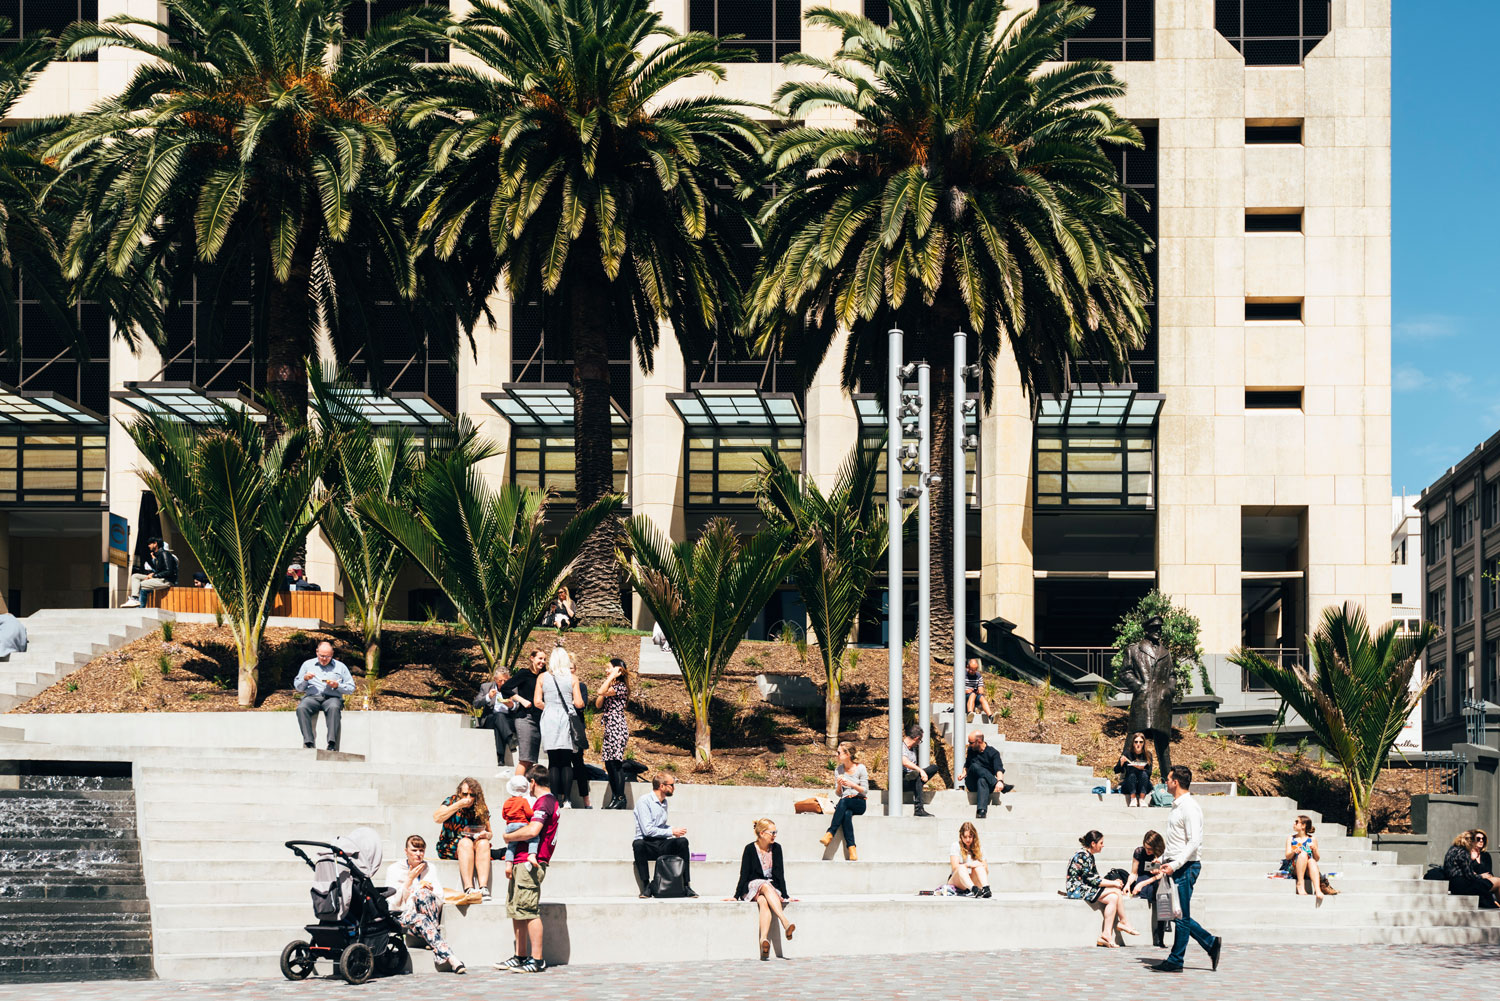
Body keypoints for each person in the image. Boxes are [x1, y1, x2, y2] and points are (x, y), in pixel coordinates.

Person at [1151, 765, 1223, 973]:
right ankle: (1210, 943)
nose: (1166, 782)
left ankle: (1176, 960)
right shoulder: (1176, 807)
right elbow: (1177, 842)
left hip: (1186, 867)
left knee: (1180, 916)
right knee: (1178, 914)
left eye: (1168, 778)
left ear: (1176, 782)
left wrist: (1174, 865)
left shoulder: (1189, 807)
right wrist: (1163, 859)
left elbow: (1194, 842)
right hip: (1176, 865)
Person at [496, 765, 560, 974]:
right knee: (518, 909)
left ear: (532, 782)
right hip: (521, 861)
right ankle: (520, 956)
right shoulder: (544, 802)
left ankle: (537, 960)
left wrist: (507, 837)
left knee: (529, 911)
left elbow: (534, 830)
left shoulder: (545, 802)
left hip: (531, 863)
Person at [384, 834, 466, 974]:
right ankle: (451, 958)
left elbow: (440, 898)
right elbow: (393, 905)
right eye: (414, 850)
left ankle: (439, 949)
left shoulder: (430, 868)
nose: (418, 854)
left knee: (423, 895)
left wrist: (427, 891)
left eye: (421, 850)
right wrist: (410, 881)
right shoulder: (394, 869)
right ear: (406, 851)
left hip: (425, 920)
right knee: (419, 899)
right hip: (404, 918)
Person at [733, 818, 794, 959]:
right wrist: (736, 895)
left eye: (775, 832)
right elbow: (744, 873)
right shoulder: (750, 849)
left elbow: (780, 873)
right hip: (753, 886)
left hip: (770, 888)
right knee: (764, 886)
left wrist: (785, 895)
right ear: (761, 833)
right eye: (772, 832)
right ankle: (785, 921)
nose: (774, 835)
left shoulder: (777, 848)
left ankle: (763, 940)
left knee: (763, 901)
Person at [1064, 830, 1137, 946]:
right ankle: (1124, 921)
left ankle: (1106, 935)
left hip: (1085, 887)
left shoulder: (1089, 856)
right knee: (1116, 891)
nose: (1103, 845)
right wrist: (1113, 884)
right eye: (1101, 843)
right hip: (1076, 889)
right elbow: (1092, 880)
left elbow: (1096, 877)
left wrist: (1112, 882)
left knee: (1113, 898)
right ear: (1093, 843)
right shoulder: (1082, 856)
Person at [535, 644, 587, 808]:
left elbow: (537, 701)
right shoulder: (572, 678)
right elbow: (579, 703)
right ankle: (568, 800)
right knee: (566, 761)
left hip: (549, 718)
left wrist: (549, 706)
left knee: (553, 761)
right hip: (566, 719)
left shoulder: (542, 677)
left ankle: (554, 798)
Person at [632, 774, 697, 897]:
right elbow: (648, 830)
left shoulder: (664, 802)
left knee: (682, 842)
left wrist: (673, 829)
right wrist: (671, 832)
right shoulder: (644, 801)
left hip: (661, 842)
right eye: (671, 785)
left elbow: (660, 826)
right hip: (647, 843)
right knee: (638, 844)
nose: (674, 788)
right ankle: (646, 886)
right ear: (662, 786)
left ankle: (686, 885)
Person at [432, 777, 492, 903]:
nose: (468, 798)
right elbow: (437, 818)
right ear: (459, 792)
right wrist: (458, 805)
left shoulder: (480, 807)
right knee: (465, 842)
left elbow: (490, 832)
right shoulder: (451, 801)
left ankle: (483, 887)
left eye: (472, 795)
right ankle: (469, 887)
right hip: (450, 845)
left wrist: (486, 835)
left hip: (474, 843)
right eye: (465, 794)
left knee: (484, 843)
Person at [294, 641, 353, 750]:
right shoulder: (307, 665)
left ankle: (331, 743)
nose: (324, 659)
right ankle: (308, 742)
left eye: (328, 656)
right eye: (322, 656)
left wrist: (337, 685)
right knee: (301, 708)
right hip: (312, 697)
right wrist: (305, 679)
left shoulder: (340, 667)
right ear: (317, 652)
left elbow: (351, 688)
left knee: (334, 708)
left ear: (332, 654)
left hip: (332, 698)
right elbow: (298, 687)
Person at [818, 742, 867, 861]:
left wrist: (852, 785)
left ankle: (830, 833)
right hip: (845, 802)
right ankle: (852, 849)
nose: (836, 754)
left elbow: (865, 791)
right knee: (846, 813)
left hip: (859, 802)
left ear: (848, 754)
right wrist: (840, 785)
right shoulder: (838, 770)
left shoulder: (860, 768)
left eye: (839, 752)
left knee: (843, 803)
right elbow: (839, 793)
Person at [595, 657, 632, 809]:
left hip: (617, 727)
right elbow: (598, 703)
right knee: (609, 764)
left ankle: (621, 797)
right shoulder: (611, 686)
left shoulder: (621, 687)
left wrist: (612, 677)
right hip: (610, 728)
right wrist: (609, 681)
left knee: (616, 764)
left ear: (617, 670)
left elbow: (600, 691)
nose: (606, 670)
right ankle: (615, 797)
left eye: (609, 668)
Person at [505, 650, 547, 776]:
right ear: (532, 658)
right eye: (540, 658)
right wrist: (522, 700)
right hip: (525, 718)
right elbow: (506, 688)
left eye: (544, 659)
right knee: (525, 759)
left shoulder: (544, 676)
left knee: (532, 760)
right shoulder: (524, 673)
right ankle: (516, 790)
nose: (542, 662)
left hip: (539, 719)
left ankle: (527, 790)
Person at [1126, 830, 1168, 947]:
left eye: (1150, 849)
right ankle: (1159, 933)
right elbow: (1133, 873)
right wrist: (1128, 885)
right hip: (1143, 879)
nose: (1147, 851)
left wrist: (1142, 884)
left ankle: (1160, 935)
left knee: (1160, 889)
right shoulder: (1139, 852)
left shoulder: (1161, 855)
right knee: (1150, 890)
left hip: (1154, 881)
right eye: (1146, 847)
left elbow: (1160, 875)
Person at [956, 731, 1011, 819]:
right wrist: (963, 774)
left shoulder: (993, 753)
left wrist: (1000, 781)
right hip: (971, 782)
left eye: (971, 742)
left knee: (982, 780)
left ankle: (981, 811)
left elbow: (999, 769)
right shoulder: (971, 750)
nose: (969, 745)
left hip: (986, 785)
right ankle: (1001, 786)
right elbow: (967, 764)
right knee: (974, 766)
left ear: (980, 741)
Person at [474, 665, 517, 767]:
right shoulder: (486, 687)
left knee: (499, 724)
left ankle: (501, 758)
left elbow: (519, 705)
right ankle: (510, 739)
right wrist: (488, 697)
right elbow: (476, 704)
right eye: (500, 681)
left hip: (507, 720)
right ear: (495, 679)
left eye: (505, 681)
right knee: (498, 716)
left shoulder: (513, 689)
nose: (503, 683)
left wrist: (512, 705)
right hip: (490, 718)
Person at [1444, 830, 1499, 908]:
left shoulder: (1452, 849)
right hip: (1464, 886)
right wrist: (1482, 876)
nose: (1479, 841)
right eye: (1476, 840)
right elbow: (1470, 876)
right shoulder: (1463, 853)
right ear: (1471, 841)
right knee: (1498, 881)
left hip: (1455, 885)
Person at [499, 774, 541, 875]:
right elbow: (529, 813)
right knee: (534, 838)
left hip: (510, 827)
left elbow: (504, 816)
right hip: (521, 825)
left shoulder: (507, 802)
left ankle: (508, 864)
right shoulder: (523, 801)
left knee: (511, 847)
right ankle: (531, 855)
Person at [123, 537, 178, 607]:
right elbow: (160, 570)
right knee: (135, 576)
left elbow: (168, 571)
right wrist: (153, 574)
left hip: (166, 580)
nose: (148, 546)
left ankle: (138, 604)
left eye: (150, 544)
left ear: (155, 544)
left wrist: (154, 576)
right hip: (159, 578)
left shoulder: (164, 554)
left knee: (142, 584)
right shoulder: (158, 555)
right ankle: (134, 599)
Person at [900, 724, 940, 817]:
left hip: (912, 776)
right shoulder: (901, 746)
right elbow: (905, 762)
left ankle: (918, 783)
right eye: (920, 740)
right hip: (902, 779)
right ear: (916, 738)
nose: (919, 743)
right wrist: (921, 771)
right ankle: (919, 809)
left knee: (934, 768)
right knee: (917, 774)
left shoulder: (913, 748)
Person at [1283, 815, 1325, 899]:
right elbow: (1287, 856)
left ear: (1303, 825)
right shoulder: (1291, 838)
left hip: (1307, 869)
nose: (1294, 823)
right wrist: (1294, 851)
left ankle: (1317, 889)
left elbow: (1317, 859)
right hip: (1293, 867)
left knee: (1312, 861)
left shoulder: (1312, 839)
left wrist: (1315, 849)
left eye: (1297, 822)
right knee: (1303, 855)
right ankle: (1300, 884)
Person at [948, 821, 990, 897]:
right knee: (961, 867)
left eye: (970, 836)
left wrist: (977, 865)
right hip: (958, 880)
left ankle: (986, 889)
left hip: (972, 880)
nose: (968, 839)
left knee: (980, 867)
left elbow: (986, 868)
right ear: (961, 836)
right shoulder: (956, 845)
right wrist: (970, 865)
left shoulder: (979, 848)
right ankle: (973, 889)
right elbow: (954, 867)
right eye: (965, 837)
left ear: (974, 836)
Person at [1116, 732, 1155, 807]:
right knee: (1132, 773)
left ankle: (1142, 799)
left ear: (1144, 743)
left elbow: (1149, 773)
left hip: (1143, 784)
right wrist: (1121, 763)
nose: (1138, 744)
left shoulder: (1148, 755)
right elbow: (1116, 770)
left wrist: (1142, 768)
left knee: (1143, 773)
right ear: (1133, 743)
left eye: (1141, 742)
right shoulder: (1127, 754)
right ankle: (1133, 798)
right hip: (1129, 783)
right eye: (1136, 742)